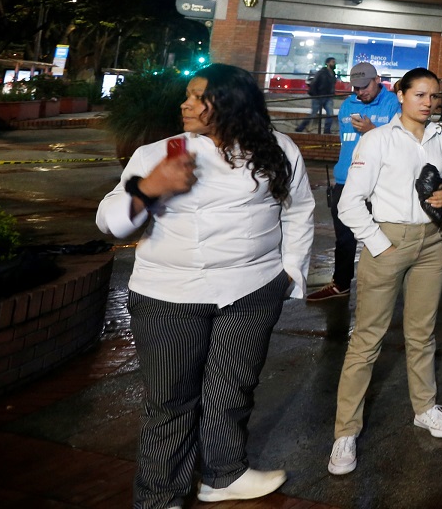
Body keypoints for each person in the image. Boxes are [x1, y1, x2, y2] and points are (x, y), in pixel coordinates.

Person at [96, 63, 314, 509]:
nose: (186, 104)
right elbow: (112, 223)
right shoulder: (160, 153)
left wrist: (289, 273)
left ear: (232, 103)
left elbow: (298, 210)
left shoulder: (279, 149)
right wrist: (151, 187)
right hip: (168, 296)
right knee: (171, 401)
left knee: (231, 390)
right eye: (187, 96)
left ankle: (224, 474)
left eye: (198, 97)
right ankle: (160, 496)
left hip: (251, 291)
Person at [329, 68, 442, 477]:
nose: (427, 102)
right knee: (367, 338)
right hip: (387, 241)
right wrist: (378, 242)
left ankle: (424, 408)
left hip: (432, 242)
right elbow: (349, 202)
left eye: (433, 96)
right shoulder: (378, 139)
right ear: (400, 95)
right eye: (419, 94)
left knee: (422, 333)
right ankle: (345, 433)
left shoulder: (441, 139)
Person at [308, 62, 401, 303]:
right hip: (345, 179)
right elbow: (347, 142)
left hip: (378, 182)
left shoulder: (391, 103)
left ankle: (381, 288)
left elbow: (397, 143)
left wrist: (372, 130)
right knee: (344, 237)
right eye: (356, 87)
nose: (360, 92)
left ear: (377, 80)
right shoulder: (348, 105)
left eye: (365, 86)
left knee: (380, 235)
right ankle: (341, 283)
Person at [296, 56, 337, 133]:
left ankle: (327, 130)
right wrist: (315, 94)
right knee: (313, 114)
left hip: (328, 96)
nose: (334, 64)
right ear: (328, 63)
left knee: (330, 114)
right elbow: (314, 83)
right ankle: (300, 127)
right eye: (333, 62)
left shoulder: (332, 73)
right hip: (319, 96)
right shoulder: (322, 73)